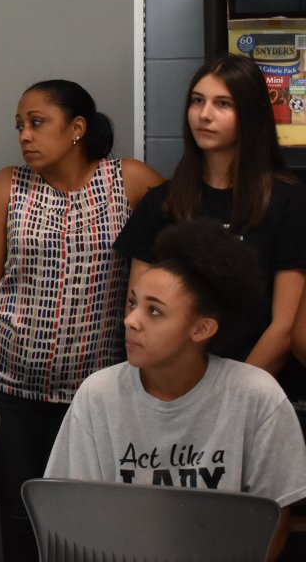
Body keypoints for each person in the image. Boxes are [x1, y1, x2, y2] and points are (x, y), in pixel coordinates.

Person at [0, 79, 162, 560]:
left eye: (36, 123)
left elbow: (179, 262)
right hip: (8, 388)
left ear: (76, 128)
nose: (24, 136)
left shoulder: (129, 181)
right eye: (19, 126)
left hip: (95, 395)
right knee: (17, 516)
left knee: (91, 518)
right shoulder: (7, 186)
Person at [46, 219, 306, 561]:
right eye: (133, 303)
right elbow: (73, 517)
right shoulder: (99, 394)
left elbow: (272, 529)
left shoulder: (257, 396)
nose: (131, 320)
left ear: (201, 329)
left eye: (154, 311)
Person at [114, 53, 306, 431]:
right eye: (197, 101)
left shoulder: (288, 202)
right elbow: (138, 309)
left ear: (249, 115)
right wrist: (170, 399)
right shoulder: (163, 201)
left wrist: (226, 402)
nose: (204, 115)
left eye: (223, 104)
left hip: (258, 396)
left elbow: (282, 328)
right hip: (171, 394)